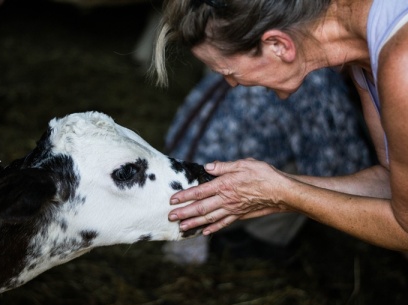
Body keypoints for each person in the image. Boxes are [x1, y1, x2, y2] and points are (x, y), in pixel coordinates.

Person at [150, 0, 408, 251]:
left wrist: (284, 194)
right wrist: (272, 189)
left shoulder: (401, 63)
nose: (231, 84)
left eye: (229, 72)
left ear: (278, 45)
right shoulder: (366, 50)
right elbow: (390, 182)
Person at [162, 68, 375, 265]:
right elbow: (338, 165)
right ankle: (254, 243)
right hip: (209, 201)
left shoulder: (248, 54)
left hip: (173, 181)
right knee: (312, 173)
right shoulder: (314, 76)